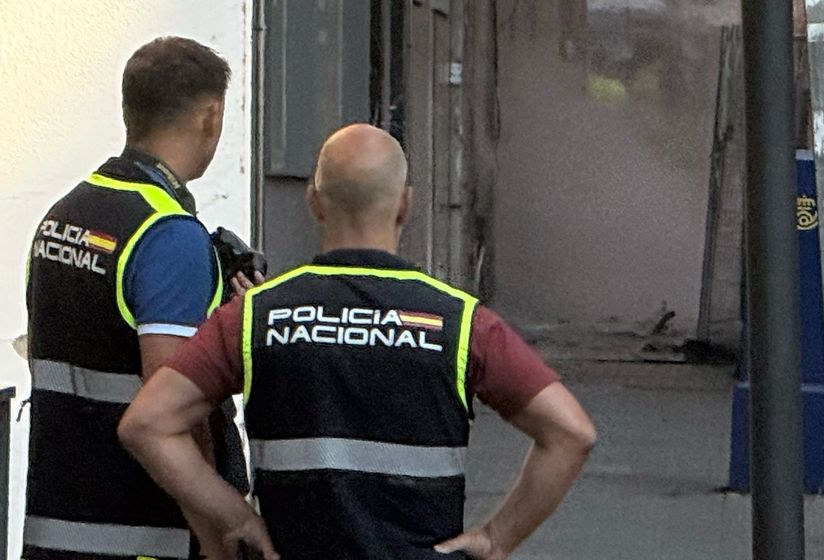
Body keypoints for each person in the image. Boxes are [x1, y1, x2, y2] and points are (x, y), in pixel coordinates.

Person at [120, 125, 597, 560]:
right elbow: (570, 433)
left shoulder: (253, 317)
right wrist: (497, 538)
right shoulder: (460, 323)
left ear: (314, 202)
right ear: (406, 205)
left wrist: (236, 516)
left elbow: (147, 425)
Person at [24, 36, 240, 560]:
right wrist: (219, 529)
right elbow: (177, 412)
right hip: (143, 536)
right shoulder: (167, 236)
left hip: (54, 531)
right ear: (210, 117)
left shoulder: (62, 216)